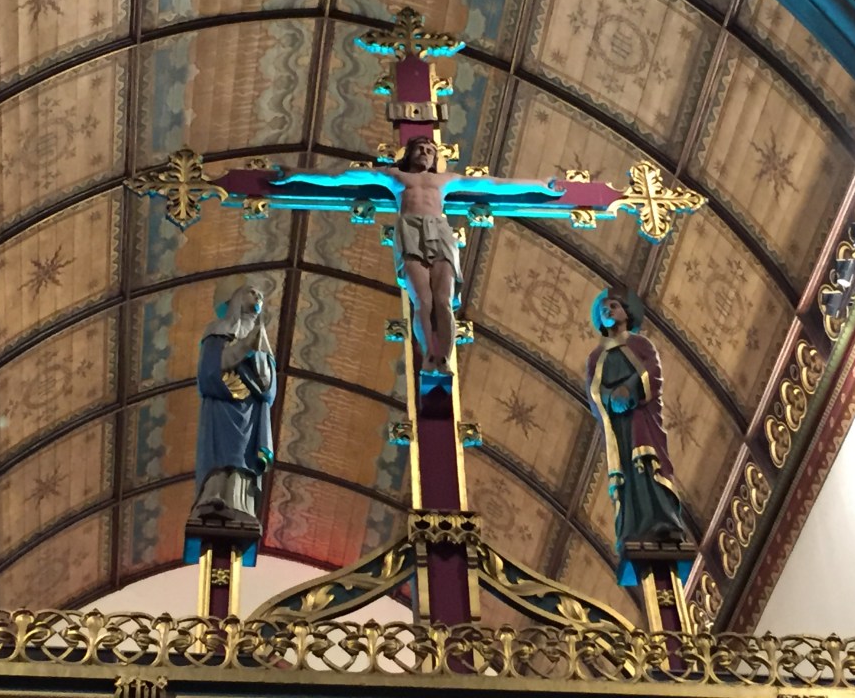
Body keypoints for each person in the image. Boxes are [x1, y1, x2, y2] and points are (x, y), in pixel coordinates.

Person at [274, 137, 563, 374]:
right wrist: (296, 175)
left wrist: (537, 185)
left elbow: (493, 184)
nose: (425, 153)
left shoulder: (446, 180)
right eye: (420, 149)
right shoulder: (395, 176)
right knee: (422, 300)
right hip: (410, 231)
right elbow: (341, 177)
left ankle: (445, 359)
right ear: (409, 153)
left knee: (443, 301)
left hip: (440, 231)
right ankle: (428, 355)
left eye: (430, 150)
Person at [585, 287, 686, 558]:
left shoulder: (640, 344)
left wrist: (629, 390)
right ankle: (631, 527)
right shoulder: (596, 357)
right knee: (628, 474)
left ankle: (664, 521)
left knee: (648, 463)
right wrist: (610, 398)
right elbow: (592, 393)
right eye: (604, 308)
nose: (609, 310)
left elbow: (653, 370)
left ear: (626, 314)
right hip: (618, 425)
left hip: (641, 414)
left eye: (614, 306)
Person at [189, 277, 276, 531]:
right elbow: (210, 369)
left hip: (248, 410)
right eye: (251, 292)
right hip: (222, 405)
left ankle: (240, 505)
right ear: (236, 297)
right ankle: (212, 498)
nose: (258, 297)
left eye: (260, 294)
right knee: (221, 454)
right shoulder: (217, 329)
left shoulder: (261, 336)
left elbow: (269, 385)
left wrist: (258, 354)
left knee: (242, 457)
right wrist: (245, 348)